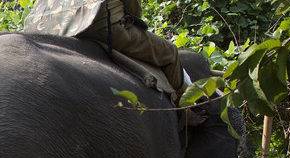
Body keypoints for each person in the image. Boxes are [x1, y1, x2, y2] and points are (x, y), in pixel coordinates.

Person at [24, 0, 184, 93]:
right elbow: (132, 9)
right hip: (104, 27)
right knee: (171, 53)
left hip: (49, 32)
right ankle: (185, 111)